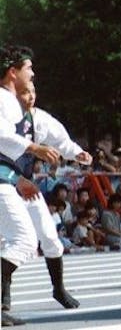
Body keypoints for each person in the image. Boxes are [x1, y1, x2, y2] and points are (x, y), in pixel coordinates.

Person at [15, 81, 95, 307]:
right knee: (17, 244)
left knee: (50, 238)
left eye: (32, 92)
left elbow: (60, 140)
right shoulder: (5, 119)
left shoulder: (39, 118)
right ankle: (5, 299)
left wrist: (77, 153)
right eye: (23, 93)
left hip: (28, 187)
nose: (29, 97)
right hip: (5, 185)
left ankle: (59, 288)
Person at [0, 45, 62, 326]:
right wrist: (35, 148)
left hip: (9, 180)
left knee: (24, 241)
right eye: (29, 69)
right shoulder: (3, 99)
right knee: (24, 241)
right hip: (4, 181)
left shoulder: (13, 103)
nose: (33, 74)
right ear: (13, 72)